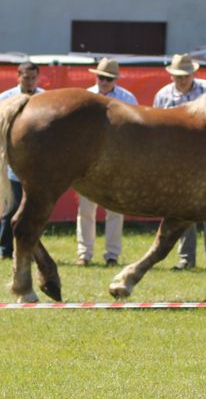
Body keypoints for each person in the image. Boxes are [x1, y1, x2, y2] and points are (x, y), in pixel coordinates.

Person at [153, 54, 206, 273]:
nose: (182, 80)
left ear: (193, 74)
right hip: (175, 161)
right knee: (181, 209)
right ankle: (186, 259)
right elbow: (156, 130)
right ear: (171, 76)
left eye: (185, 76)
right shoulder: (163, 96)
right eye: (178, 76)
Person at [75, 58, 138, 267]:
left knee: (115, 211)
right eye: (101, 77)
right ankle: (84, 253)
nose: (104, 81)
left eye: (108, 78)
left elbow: (134, 131)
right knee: (85, 210)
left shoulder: (127, 98)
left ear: (115, 79)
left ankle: (112, 255)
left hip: (116, 161)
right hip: (89, 161)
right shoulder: (86, 95)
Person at [0, 61, 43, 260]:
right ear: (18, 76)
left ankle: (30, 249)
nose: (30, 81)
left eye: (33, 78)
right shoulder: (5, 98)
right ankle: (6, 250)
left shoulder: (45, 98)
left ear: (38, 77)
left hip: (38, 164)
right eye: (26, 77)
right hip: (14, 162)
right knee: (11, 208)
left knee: (35, 209)